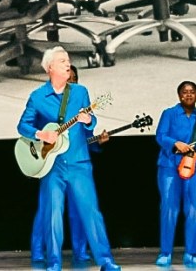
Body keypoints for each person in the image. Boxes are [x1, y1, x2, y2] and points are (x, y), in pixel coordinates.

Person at [17, 46, 120, 271]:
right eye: (62, 61)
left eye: (68, 60)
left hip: (79, 162)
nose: (68, 64)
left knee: (91, 212)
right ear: (50, 68)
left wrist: (88, 121)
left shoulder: (80, 92)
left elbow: (91, 122)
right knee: (53, 214)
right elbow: (23, 126)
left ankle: (105, 260)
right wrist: (40, 134)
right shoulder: (37, 97)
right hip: (52, 165)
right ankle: (54, 262)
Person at [29, 65, 108, 269]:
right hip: (51, 162)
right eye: (66, 77)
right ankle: (39, 251)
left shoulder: (80, 100)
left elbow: (87, 136)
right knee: (48, 211)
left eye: (73, 79)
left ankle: (82, 252)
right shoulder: (43, 100)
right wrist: (42, 138)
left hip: (77, 163)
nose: (69, 82)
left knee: (81, 211)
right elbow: (31, 128)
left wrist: (96, 137)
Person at [155, 81, 196, 268]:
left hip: (195, 167)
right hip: (169, 166)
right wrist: (176, 143)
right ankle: (165, 253)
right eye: (184, 92)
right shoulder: (169, 113)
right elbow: (160, 136)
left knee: (195, 210)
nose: (188, 95)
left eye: (192, 92)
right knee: (169, 209)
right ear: (179, 95)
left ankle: (191, 254)